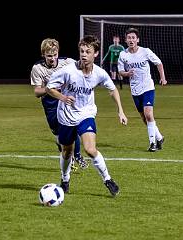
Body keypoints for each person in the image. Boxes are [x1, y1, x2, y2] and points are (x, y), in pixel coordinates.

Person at [46, 35, 128, 197]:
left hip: (86, 114)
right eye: (82, 51)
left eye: (87, 51)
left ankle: (108, 180)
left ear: (95, 54)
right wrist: (63, 97)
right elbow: (49, 88)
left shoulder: (99, 73)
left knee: (90, 149)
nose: (83, 54)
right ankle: (65, 179)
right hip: (66, 116)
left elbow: (112, 90)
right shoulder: (68, 71)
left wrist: (120, 110)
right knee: (67, 152)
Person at [30, 38, 88, 171]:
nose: (52, 58)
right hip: (50, 103)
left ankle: (77, 156)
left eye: (54, 55)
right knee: (59, 135)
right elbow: (37, 92)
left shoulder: (67, 62)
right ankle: (65, 148)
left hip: (66, 100)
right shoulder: (38, 68)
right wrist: (49, 89)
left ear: (58, 53)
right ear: (43, 54)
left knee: (72, 127)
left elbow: (83, 68)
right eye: (49, 55)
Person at [118, 27, 167, 152]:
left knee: (149, 114)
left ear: (137, 40)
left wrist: (163, 78)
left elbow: (159, 63)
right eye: (129, 38)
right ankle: (159, 137)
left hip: (148, 87)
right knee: (145, 119)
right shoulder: (123, 55)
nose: (131, 40)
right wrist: (127, 73)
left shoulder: (145, 51)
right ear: (126, 40)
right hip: (135, 90)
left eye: (133, 37)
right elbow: (120, 72)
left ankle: (152, 144)